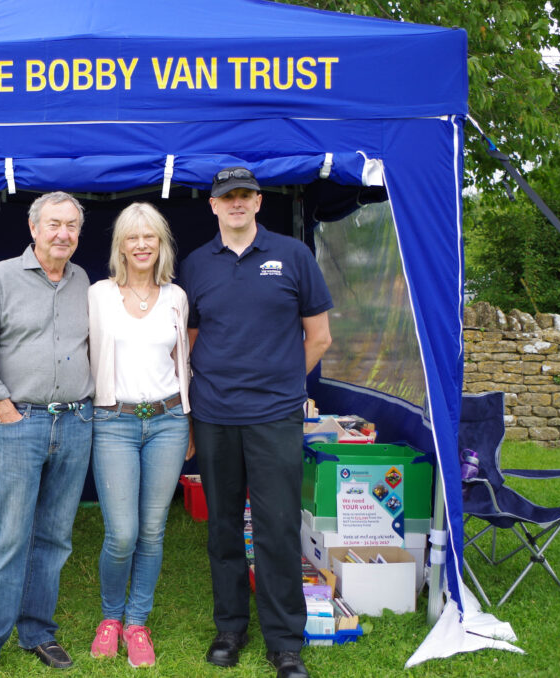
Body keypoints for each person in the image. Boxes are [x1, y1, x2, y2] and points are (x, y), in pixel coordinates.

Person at [178, 167, 332, 678]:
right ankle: (230, 629)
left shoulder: (294, 256)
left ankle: (285, 641)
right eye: (227, 197)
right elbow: (192, 341)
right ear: (214, 206)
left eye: (245, 195)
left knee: (277, 528)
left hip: (275, 418)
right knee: (222, 527)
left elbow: (320, 336)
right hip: (216, 416)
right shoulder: (197, 264)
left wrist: (285, 385)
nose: (236, 204)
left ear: (259, 202)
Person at [0, 192, 95, 678]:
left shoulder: (84, 282)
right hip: (23, 420)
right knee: (9, 535)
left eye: (72, 226)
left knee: (56, 536)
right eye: (54, 224)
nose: (63, 234)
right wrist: (2, 406)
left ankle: (37, 631)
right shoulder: (1, 277)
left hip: (77, 422)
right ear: (34, 228)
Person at [86, 202, 192, 668]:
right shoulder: (98, 295)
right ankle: (110, 618)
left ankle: (136, 623)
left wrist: (191, 418)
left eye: (150, 236)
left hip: (169, 420)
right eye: (133, 237)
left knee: (152, 530)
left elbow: (181, 363)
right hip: (114, 422)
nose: (142, 244)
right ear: (121, 246)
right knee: (122, 533)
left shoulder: (176, 297)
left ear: (161, 244)